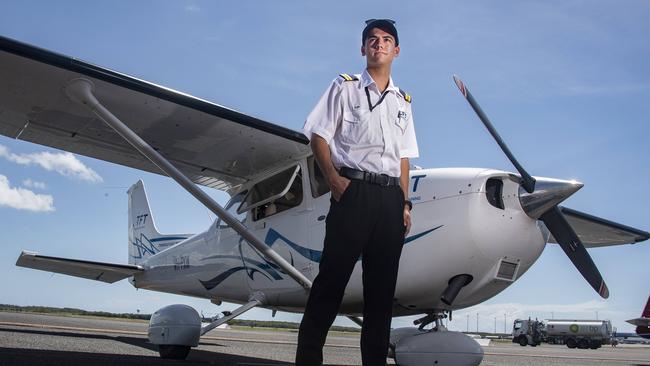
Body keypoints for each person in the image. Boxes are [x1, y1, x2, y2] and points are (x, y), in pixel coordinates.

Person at [295, 19, 419, 366]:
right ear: (363, 49)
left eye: (386, 39)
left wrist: (405, 204)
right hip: (353, 192)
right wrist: (334, 180)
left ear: (396, 50)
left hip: (390, 201)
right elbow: (317, 135)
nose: (378, 44)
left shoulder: (403, 103)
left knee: (381, 296)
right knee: (330, 285)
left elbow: (404, 157)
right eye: (372, 40)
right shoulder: (344, 87)